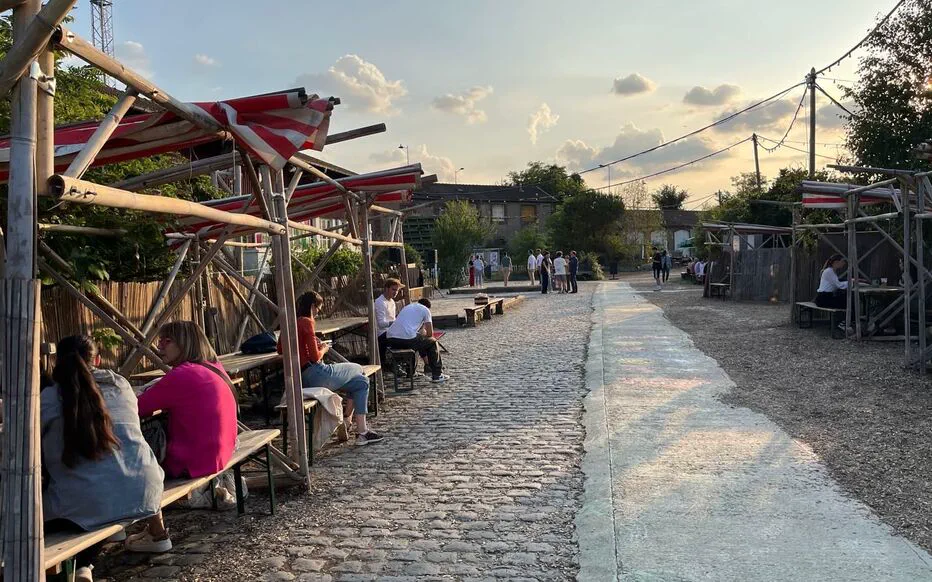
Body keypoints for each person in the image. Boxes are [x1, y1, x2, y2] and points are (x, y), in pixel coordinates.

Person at [43, 336, 170, 578]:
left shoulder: (49, 399)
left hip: (91, 503)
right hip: (144, 491)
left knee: (63, 502)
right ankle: (84, 565)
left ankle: (78, 565)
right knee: (94, 490)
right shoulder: (120, 385)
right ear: (98, 360)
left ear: (55, 363)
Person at [281, 291, 384, 445]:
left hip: (302, 376)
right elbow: (316, 357)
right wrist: (324, 348)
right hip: (317, 373)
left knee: (361, 382)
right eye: (318, 309)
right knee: (358, 368)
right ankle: (352, 425)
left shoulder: (291, 322)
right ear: (312, 306)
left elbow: (280, 349)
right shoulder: (307, 321)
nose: (318, 312)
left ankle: (357, 428)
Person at [386, 298, 449, 383]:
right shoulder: (426, 310)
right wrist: (424, 332)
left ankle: (411, 372)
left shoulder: (408, 307)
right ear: (428, 307)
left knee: (416, 341)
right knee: (432, 342)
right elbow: (430, 334)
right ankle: (437, 374)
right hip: (406, 339)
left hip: (390, 338)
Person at [375, 278, 401, 361]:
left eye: (397, 290)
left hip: (391, 331)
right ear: (386, 288)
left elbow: (393, 318)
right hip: (382, 334)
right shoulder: (380, 302)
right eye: (393, 289)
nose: (395, 292)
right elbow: (381, 324)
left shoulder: (392, 302)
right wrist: (395, 323)